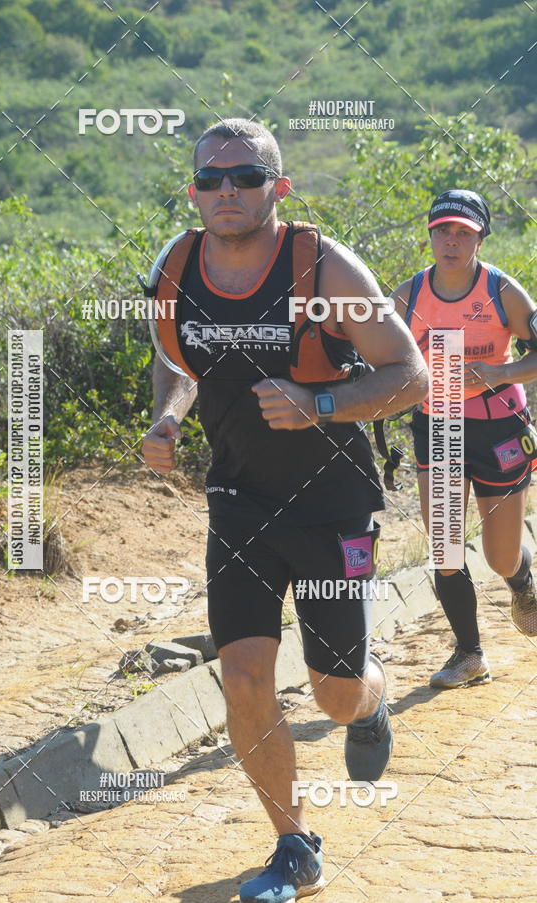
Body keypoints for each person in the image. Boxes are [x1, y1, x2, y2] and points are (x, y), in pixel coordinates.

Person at [143, 118, 428, 903]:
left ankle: (371, 699)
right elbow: (173, 357)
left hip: (333, 505)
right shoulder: (177, 265)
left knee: (334, 692)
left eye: (243, 176)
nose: (225, 191)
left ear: (279, 185)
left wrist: (320, 401)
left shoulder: (322, 266)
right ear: (195, 188)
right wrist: (168, 416)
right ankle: (295, 843)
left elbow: (410, 374)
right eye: (210, 179)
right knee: (242, 677)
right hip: (237, 502)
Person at [392, 189, 537, 691]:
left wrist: (500, 371)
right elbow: (386, 362)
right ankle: (469, 654)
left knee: (499, 557)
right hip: (440, 425)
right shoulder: (408, 297)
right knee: (446, 548)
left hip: (499, 426)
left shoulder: (502, 291)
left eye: (463, 232)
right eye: (442, 231)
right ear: (430, 234)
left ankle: (521, 578)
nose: (451, 241)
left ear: (479, 238)